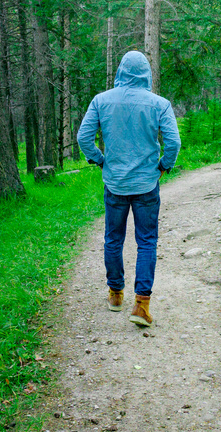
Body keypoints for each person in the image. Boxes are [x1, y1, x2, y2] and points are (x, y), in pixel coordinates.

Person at [77, 51, 181, 327]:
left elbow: (84, 137)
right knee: (146, 241)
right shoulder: (159, 104)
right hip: (147, 183)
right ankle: (142, 305)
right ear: (147, 73)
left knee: (113, 239)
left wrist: (101, 160)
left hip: (115, 183)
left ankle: (115, 294)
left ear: (121, 71)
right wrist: (163, 166)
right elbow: (173, 143)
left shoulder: (102, 101)